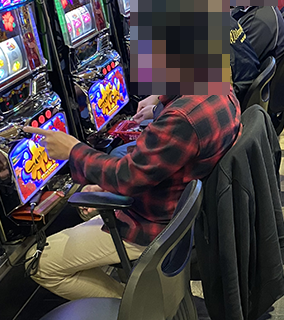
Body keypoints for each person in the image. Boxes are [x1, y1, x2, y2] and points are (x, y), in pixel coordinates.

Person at [23, 90, 241, 300]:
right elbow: (158, 166)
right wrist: (157, 107)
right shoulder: (217, 86)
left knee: (38, 262)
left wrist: (73, 150)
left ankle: (137, 308)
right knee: (86, 209)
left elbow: (127, 177)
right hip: (183, 209)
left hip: (154, 224)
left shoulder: (182, 117)